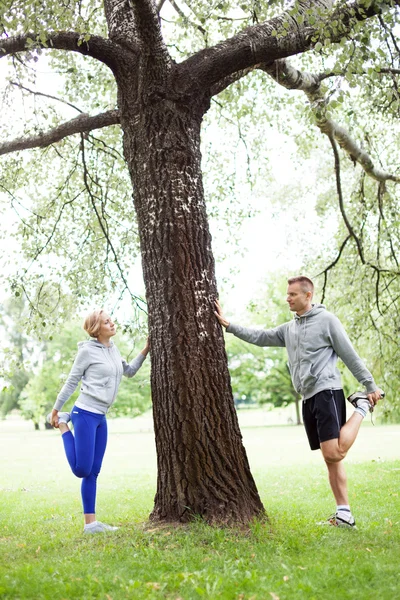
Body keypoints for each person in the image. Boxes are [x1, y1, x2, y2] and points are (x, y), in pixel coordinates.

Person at [215, 276, 383, 528]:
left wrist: (370, 386)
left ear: (308, 295)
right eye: (287, 294)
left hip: (327, 390)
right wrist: (230, 325)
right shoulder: (289, 329)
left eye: (293, 294)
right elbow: (261, 337)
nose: (287, 298)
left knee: (334, 452)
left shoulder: (327, 321)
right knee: (330, 459)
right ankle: (344, 514)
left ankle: (361, 406)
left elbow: (349, 354)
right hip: (308, 397)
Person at [47, 309, 149, 534]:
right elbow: (72, 381)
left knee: (93, 471)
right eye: (106, 322)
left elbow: (129, 372)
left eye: (111, 320)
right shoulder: (86, 352)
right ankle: (64, 425)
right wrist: (56, 410)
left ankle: (91, 525)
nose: (112, 324)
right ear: (96, 329)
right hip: (83, 414)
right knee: (81, 470)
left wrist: (146, 349)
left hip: (101, 417)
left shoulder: (113, 350)